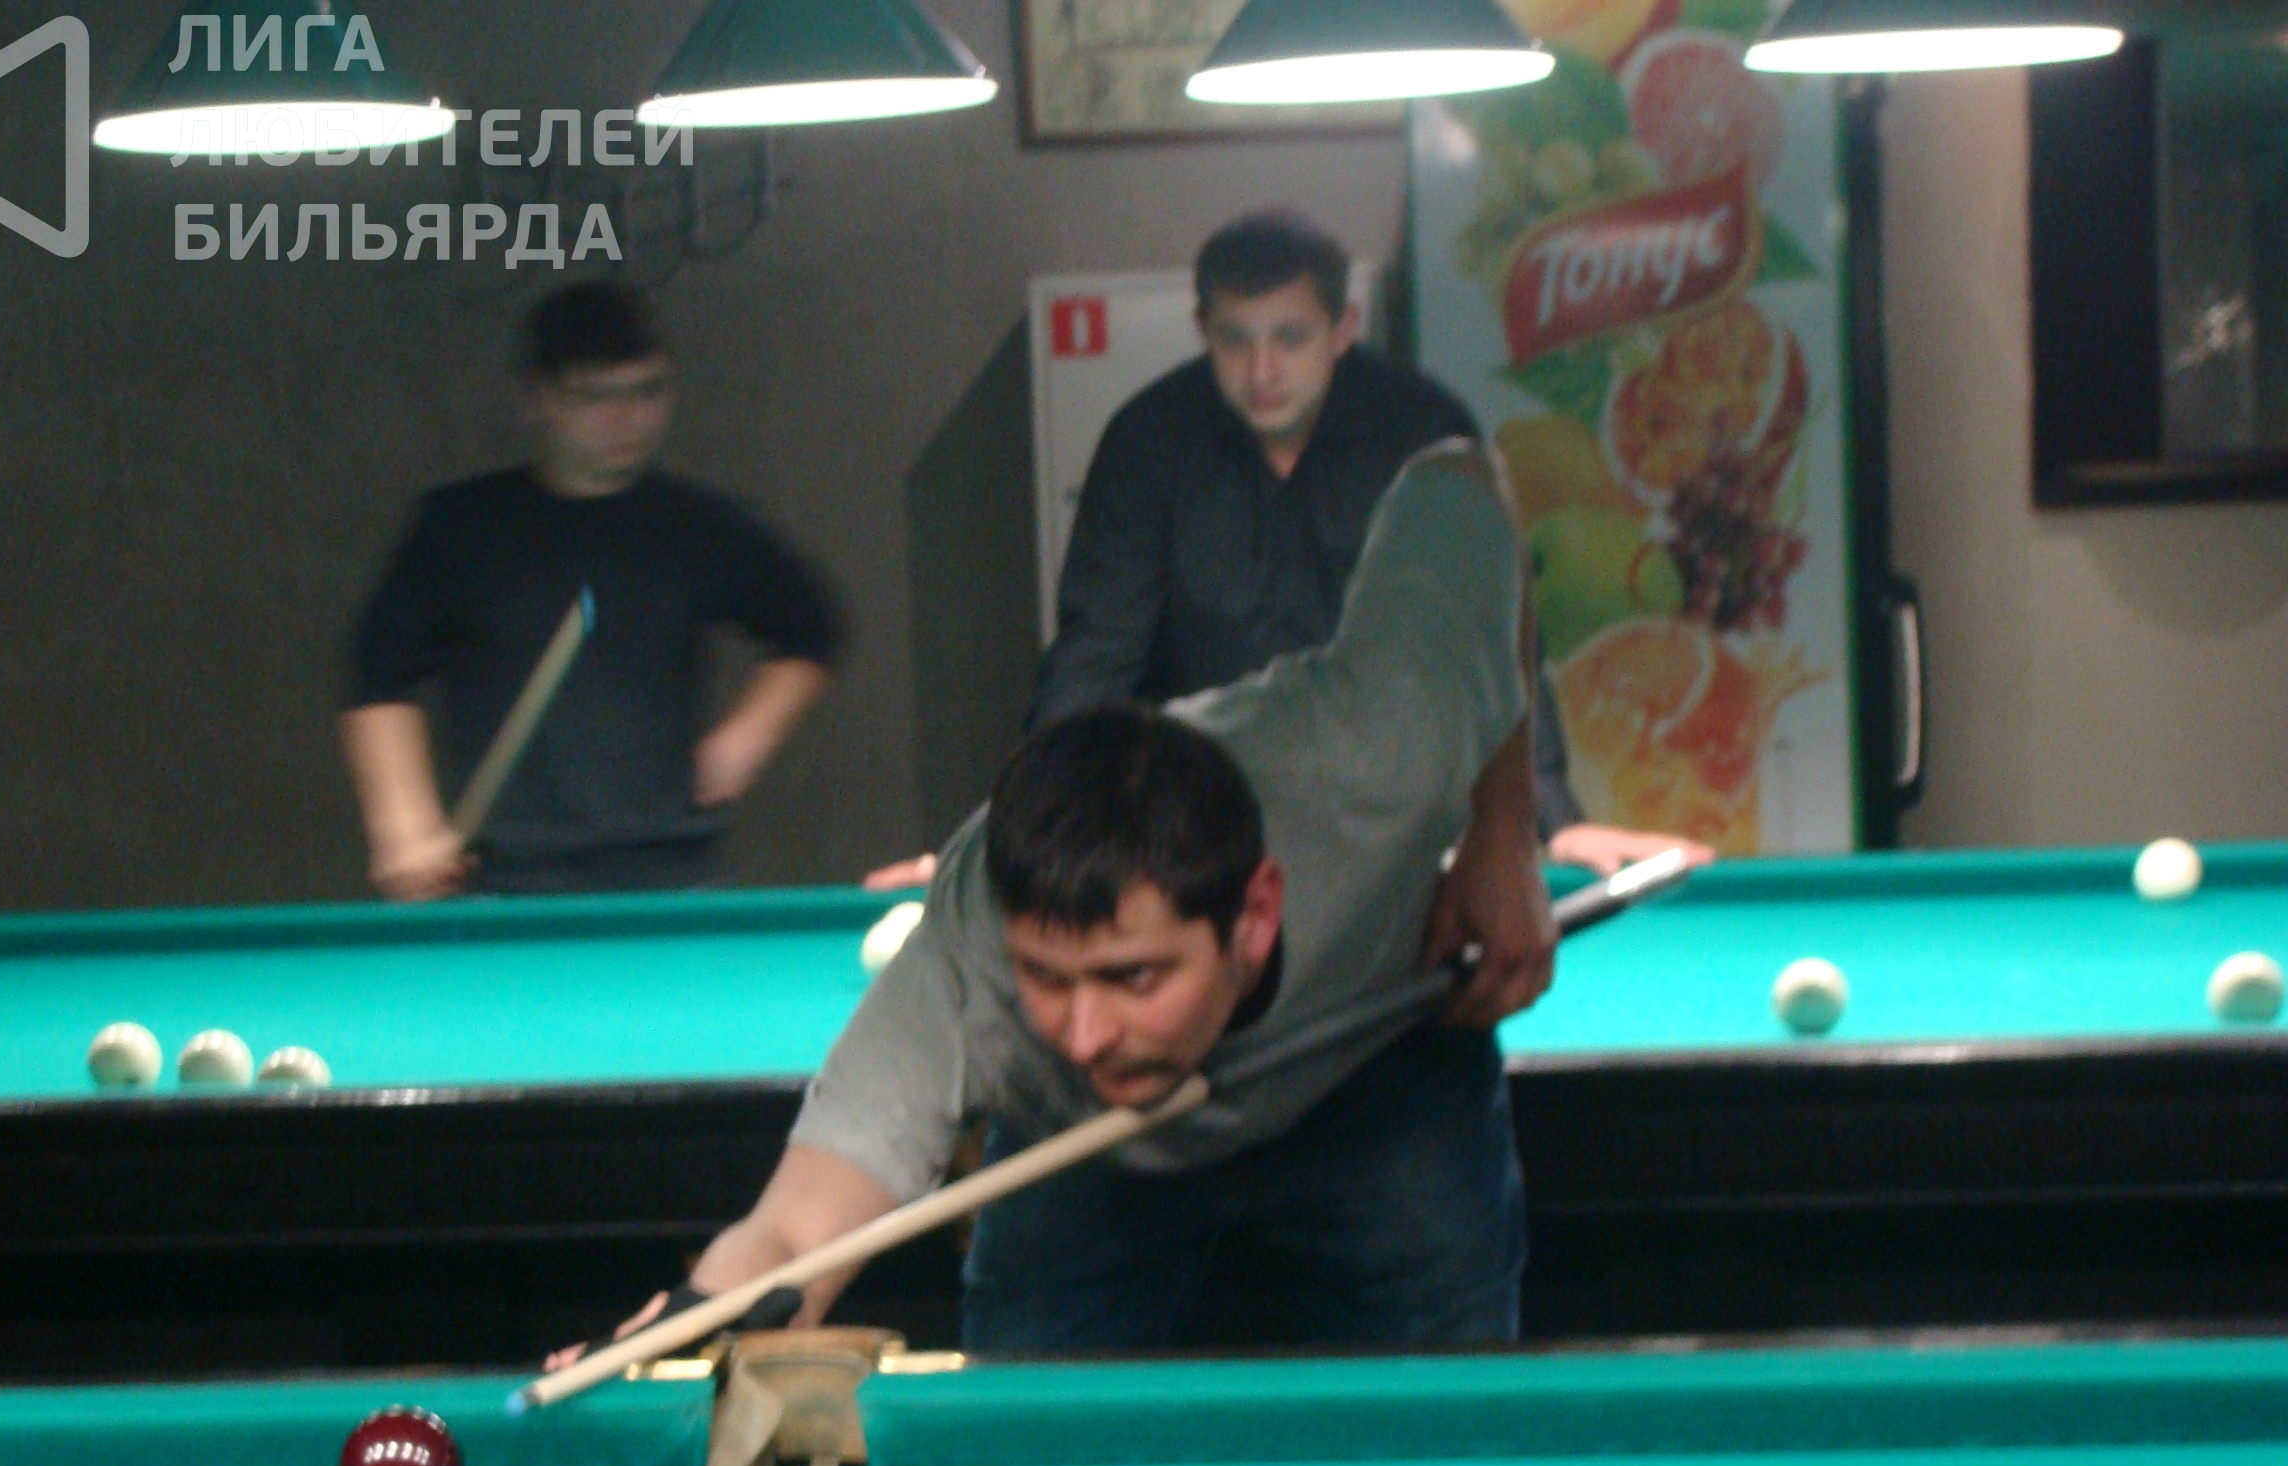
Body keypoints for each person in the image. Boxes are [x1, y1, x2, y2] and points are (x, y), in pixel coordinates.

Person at [566, 440, 1551, 1359]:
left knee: (1449, 1428)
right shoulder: (970, 952)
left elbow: (1463, 481)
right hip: (1082, 1152)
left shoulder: (1379, 754)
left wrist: (1504, 836)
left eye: (1133, 977)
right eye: (1047, 977)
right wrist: (697, 1322)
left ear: (1254, 915)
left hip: (1371, 1074)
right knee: (1022, 1431)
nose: (1083, 1036)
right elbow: (793, 1231)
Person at [866, 211, 1702, 892]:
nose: (1261, 369)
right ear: (1202, 330)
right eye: (1235, 339)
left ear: (1343, 328)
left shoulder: (1423, 431)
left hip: (1396, 830)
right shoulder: (1147, 443)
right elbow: (1091, 663)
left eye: (1290, 337)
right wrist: (1016, 836)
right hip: (1197, 834)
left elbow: (1491, 639)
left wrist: (1553, 819)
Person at [344, 284, 840, 899]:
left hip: (676, 879)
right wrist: (404, 825)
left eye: (648, 391)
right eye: (596, 397)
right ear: (536, 398)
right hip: (508, 882)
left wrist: (747, 736)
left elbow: (812, 630)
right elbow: (376, 679)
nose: (628, 419)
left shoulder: (700, 526)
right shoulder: (460, 527)